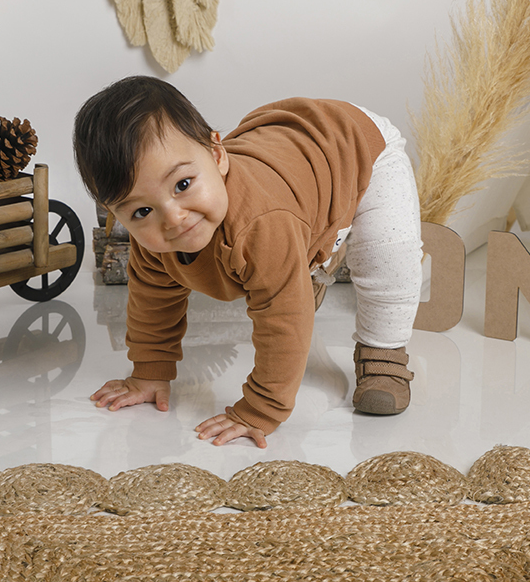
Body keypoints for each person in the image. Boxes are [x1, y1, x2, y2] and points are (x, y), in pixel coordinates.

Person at [73, 76, 422, 447]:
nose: (173, 218)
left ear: (217, 155)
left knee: (388, 256)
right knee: (282, 263)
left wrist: (261, 409)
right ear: (117, 217)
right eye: (142, 210)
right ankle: (295, 270)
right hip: (294, 166)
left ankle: (383, 353)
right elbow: (152, 304)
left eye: (183, 184)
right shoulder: (154, 242)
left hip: (355, 145)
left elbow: (282, 320)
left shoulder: (261, 223)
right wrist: (148, 373)